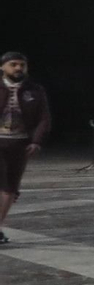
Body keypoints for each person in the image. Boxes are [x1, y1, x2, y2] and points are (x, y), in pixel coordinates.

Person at [0, 52, 50, 245]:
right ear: (3, 67)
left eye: (22, 65)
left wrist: (36, 141)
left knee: (10, 187)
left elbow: (44, 118)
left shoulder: (35, 90)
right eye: (13, 64)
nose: (18, 68)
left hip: (19, 143)